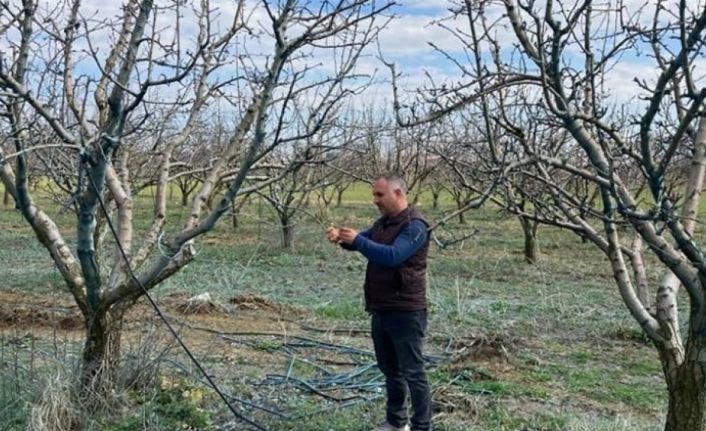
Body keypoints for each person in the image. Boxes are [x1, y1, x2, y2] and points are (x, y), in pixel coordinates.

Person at [326, 172, 432, 431]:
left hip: (407, 311)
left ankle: (422, 426)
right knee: (390, 369)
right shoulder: (383, 223)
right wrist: (341, 236)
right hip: (382, 309)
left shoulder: (415, 226)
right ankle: (396, 423)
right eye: (374, 194)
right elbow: (362, 242)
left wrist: (358, 241)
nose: (375, 200)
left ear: (398, 193)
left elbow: (393, 255)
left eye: (379, 195)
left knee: (413, 373)